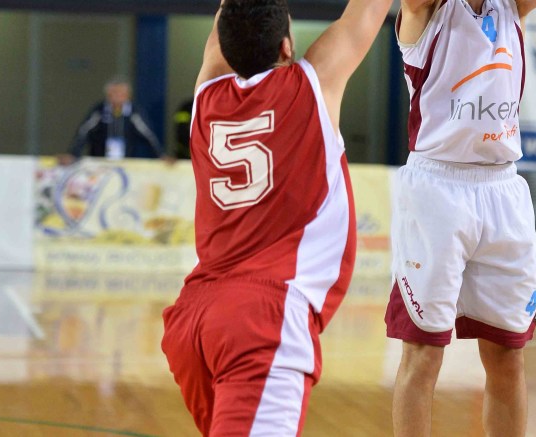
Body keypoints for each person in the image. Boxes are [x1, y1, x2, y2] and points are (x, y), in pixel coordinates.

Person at [160, 0, 392, 435]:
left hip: (197, 318)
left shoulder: (207, 91)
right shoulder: (314, 83)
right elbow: (369, 10)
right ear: (287, 46)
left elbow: (228, 24)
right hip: (262, 320)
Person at [384, 0, 536, 436]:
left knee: (508, 356)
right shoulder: (426, 9)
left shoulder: (511, 7)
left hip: (502, 188)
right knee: (423, 354)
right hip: (437, 189)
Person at [58, 77, 163, 165]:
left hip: (125, 161)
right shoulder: (99, 110)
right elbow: (83, 131)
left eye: (121, 93)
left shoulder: (134, 112)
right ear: (107, 95)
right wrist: (73, 154)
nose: (117, 97)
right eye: (114, 93)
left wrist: (160, 155)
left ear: (128, 95)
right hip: (99, 161)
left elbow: (148, 134)